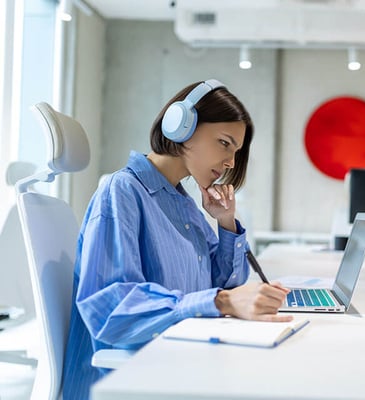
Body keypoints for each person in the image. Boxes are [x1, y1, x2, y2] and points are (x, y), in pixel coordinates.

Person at [62, 79, 292, 400]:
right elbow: (112, 308)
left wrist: (225, 223)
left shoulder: (184, 203)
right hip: (130, 379)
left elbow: (226, 282)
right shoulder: (122, 192)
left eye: (236, 152)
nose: (230, 163)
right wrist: (221, 302)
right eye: (224, 143)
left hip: (177, 363)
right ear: (182, 127)